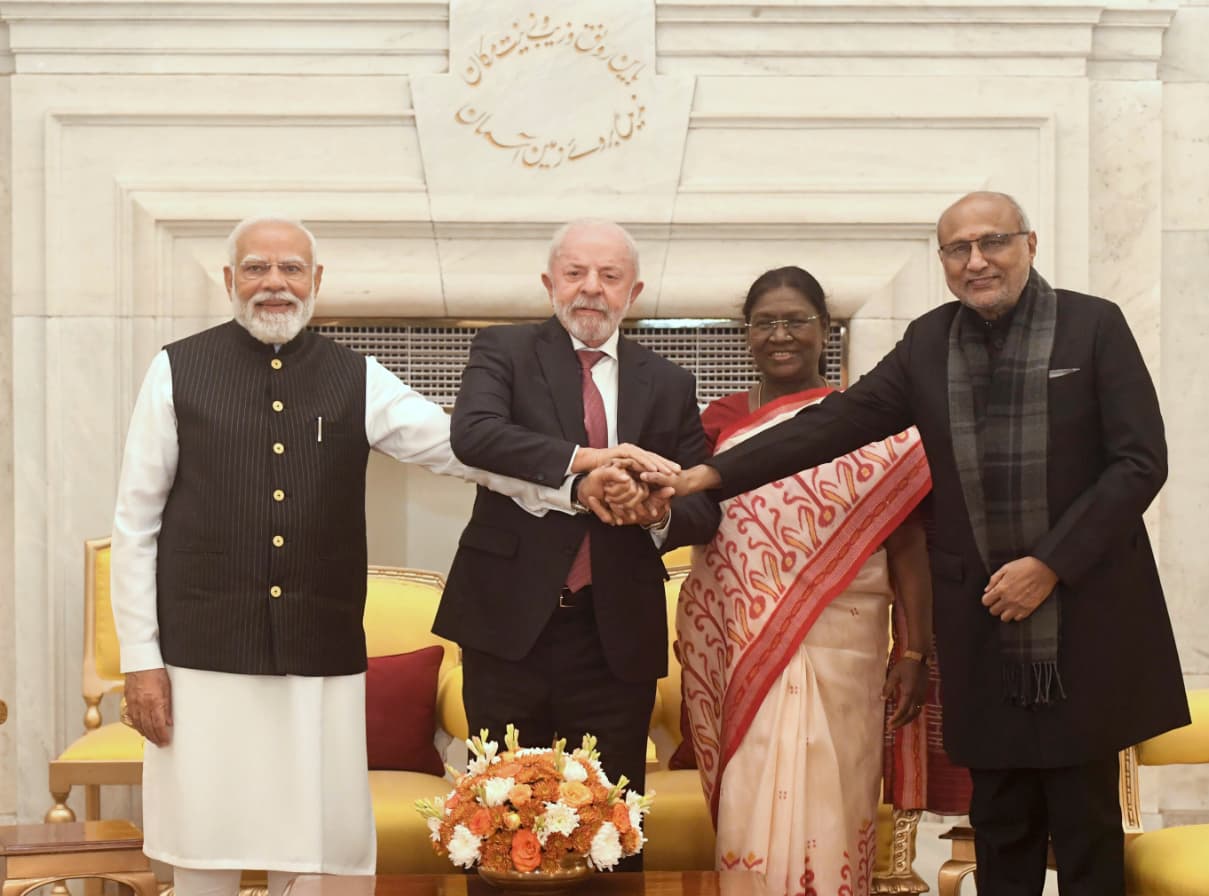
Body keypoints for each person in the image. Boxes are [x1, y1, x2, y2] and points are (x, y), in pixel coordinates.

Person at [648, 192, 1190, 895]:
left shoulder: (1094, 327)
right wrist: (712, 473)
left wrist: (1051, 565)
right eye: (957, 249)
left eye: (992, 242)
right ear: (943, 262)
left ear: (1030, 243)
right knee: (998, 815)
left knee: (1083, 818)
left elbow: (1139, 463)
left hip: (1079, 612)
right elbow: (836, 424)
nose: (976, 261)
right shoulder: (930, 342)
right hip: (981, 619)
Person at [110, 215, 648, 896]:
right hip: (201, 660)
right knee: (204, 853)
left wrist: (570, 478)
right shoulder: (175, 369)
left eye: (291, 269)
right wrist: (141, 661)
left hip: (318, 660)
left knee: (318, 855)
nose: (274, 283)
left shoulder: (356, 377)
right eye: (256, 268)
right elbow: (135, 523)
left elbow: (460, 448)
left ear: (317, 282)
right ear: (229, 281)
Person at [436, 219, 721, 858]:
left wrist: (652, 510)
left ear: (633, 291)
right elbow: (474, 434)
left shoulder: (669, 381)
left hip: (613, 639)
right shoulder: (504, 351)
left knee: (609, 835)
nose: (591, 289)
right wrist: (590, 462)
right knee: (502, 829)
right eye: (575, 273)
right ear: (550, 283)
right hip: (508, 629)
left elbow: (703, 507)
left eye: (609, 276)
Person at [678, 265, 938, 895]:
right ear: (746, 335)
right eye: (765, 322)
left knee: (834, 795)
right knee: (750, 800)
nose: (781, 335)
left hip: (845, 643)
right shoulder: (718, 426)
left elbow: (907, 547)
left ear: (825, 330)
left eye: (796, 321)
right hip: (745, 643)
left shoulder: (868, 423)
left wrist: (913, 652)